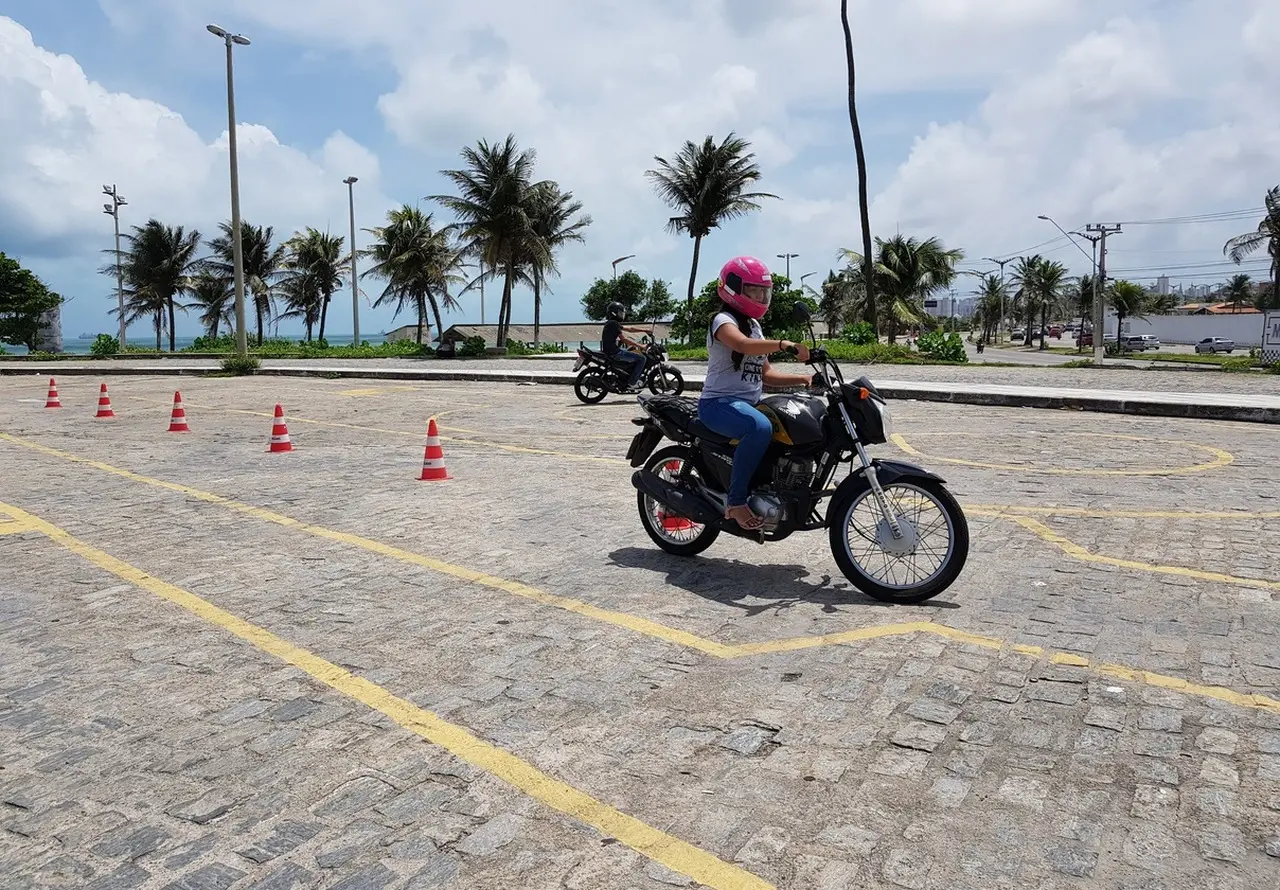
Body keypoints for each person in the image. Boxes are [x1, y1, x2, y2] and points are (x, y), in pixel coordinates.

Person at [698, 256, 812, 530]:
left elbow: (767, 375)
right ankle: (736, 503)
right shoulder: (722, 321)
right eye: (754, 290)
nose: (761, 296)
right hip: (718, 404)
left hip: (748, 403)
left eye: (764, 291)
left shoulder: (755, 326)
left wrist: (805, 379)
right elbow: (742, 345)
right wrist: (784, 344)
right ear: (734, 288)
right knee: (759, 427)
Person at [601, 301, 649, 390]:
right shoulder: (614, 324)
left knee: (632, 349)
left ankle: (627, 376)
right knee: (642, 359)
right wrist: (641, 346)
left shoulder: (611, 323)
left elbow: (630, 329)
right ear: (614, 313)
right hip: (615, 353)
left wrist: (645, 330)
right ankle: (632, 382)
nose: (622, 314)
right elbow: (624, 339)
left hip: (611, 351)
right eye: (620, 312)